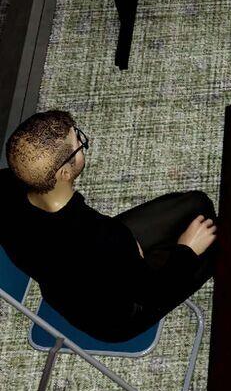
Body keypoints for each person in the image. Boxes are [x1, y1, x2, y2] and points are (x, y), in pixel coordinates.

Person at [0, 109, 218, 342]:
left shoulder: (4, 186)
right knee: (219, 244)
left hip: (75, 284)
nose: (82, 143)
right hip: (118, 316)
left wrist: (128, 254)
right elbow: (153, 294)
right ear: (64, 173)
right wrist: (187, 250)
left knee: (197, 204)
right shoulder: (104, 237)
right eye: (78, 142)